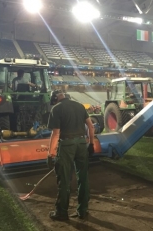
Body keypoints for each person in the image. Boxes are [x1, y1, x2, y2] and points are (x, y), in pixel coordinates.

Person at [47, 90, 95, 221]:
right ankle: (83, 210)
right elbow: (91, 127)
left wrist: (50, 153)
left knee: (64, 180)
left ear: (55, 98)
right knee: (83, 178)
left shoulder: (56, 109)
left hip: (67, 145)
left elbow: (56, 134)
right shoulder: (79, 105)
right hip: (81, 144)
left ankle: (62, 212)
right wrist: (91, 144)